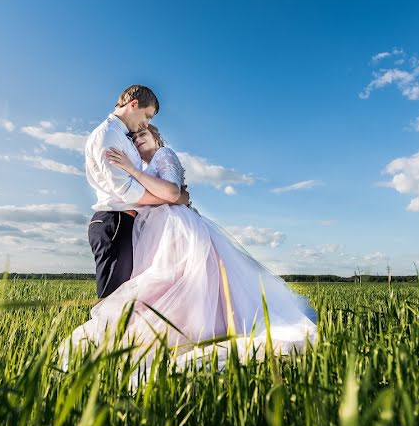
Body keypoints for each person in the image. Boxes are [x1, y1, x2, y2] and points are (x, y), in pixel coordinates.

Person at [61, 122, 318, 380]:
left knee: (176, 280)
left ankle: (190, 332)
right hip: (158, 227)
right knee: (164, 283)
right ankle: (167, 332)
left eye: (143, 134)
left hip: (177, 227)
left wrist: (134, 171)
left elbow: (173, 192)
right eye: (134, 137)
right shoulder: (146, 167)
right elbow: (172, 194)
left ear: (157, 138)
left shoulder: (164, 155)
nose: (138, 140)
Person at [83, 85, 190, 299]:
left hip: (127, 222)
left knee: (127, 296)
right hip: (116, 220)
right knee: (112, 297)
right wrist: (171, 198)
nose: (147, 123)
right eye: (147, 115)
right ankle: (105, 333)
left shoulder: (123, 137)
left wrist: (175, 196)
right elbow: (127, 191)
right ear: (133, 105)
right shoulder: (109, 134)